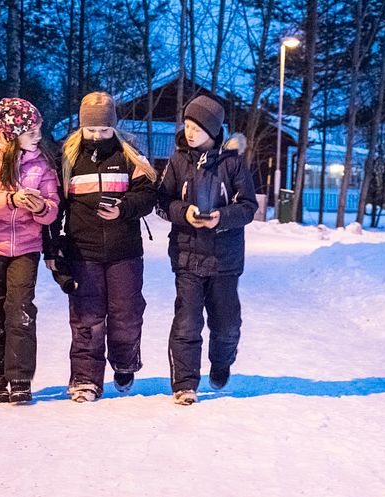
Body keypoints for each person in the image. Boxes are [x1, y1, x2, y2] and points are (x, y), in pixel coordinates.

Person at [45, 91, 157, 402]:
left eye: (104, 130)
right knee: (87, 317)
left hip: (126, 252)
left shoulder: (129, 155)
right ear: (81, 127)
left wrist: (124, 207)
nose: (97, 135)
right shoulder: (66, 159)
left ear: (114, 127)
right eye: (90, 129)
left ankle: (124, 364)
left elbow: (149, 195)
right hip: (84, 251)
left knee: (126, 314)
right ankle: (85, 379)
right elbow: (55, 208)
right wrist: (53, 248)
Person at [156, 95, 258, 405]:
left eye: (197, 127)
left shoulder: (233, 163)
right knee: (187, 321)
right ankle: (185, 383)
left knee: (226, 323)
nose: (189, 132)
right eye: (186, 125)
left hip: (225, 260)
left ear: (213, 131)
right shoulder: (177, 161)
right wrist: (184, 213)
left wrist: (221, 218)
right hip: (187, 256)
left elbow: (248, 207)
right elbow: (162, 202)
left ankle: (222, 361)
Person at [0, 97, 59, 404]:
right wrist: (9, 201)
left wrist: (42, 207)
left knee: (21, 312)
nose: (38, 137)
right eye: (32, 132)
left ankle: (19, 378)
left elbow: (53, 207)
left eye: (39, 130)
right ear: (14, 131)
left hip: (26, 248)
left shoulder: (41, 161)